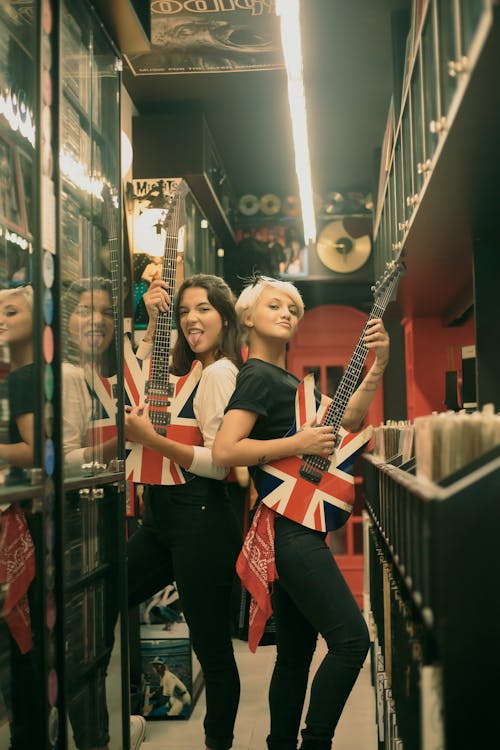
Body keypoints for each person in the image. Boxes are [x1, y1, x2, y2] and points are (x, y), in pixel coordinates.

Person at [213, 276, 390, 750]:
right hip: (289, 531)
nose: (288, 312)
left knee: (294, 654)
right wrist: (297, 443)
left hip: (292, 527)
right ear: (247, 318)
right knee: (352, 642)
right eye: (275, 305)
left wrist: (378, 368)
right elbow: (226, 449)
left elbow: (347, 420)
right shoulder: (256, 376)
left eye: (294, 306)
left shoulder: (290, 381)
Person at [124, 273, 243, 750]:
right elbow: (143, 380)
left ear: (226, 318)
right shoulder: (192, 370)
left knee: (211, 648)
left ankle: (219, 744)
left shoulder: (219, 373)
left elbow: (223, 463)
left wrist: (154, 442)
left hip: (202, 518)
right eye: (185, 310)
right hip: (163, 517)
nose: (192, 319)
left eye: (204, 310)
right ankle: (117, 715)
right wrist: (152, 323)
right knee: (113, 594)